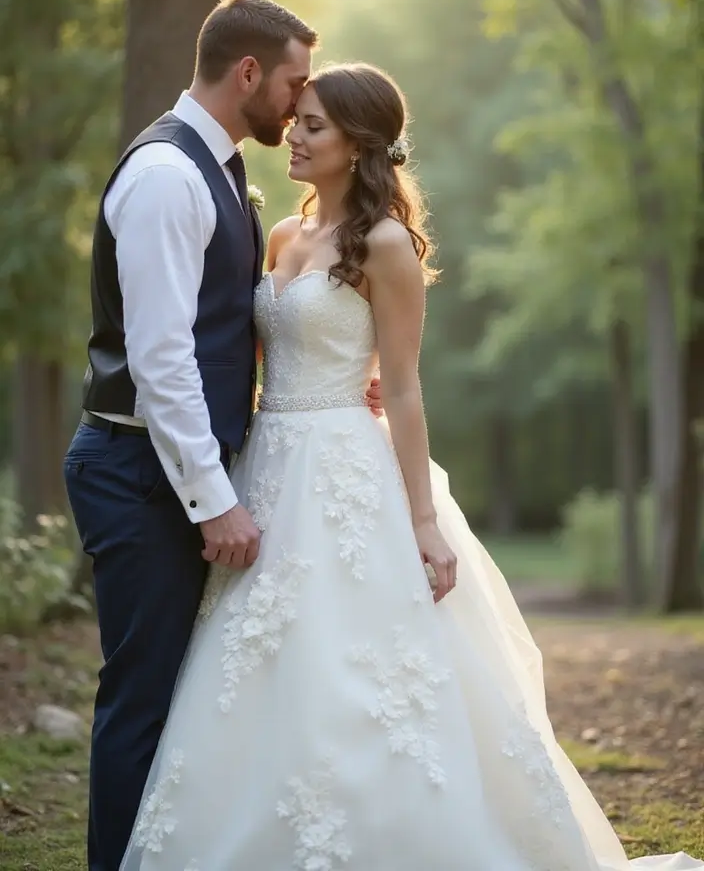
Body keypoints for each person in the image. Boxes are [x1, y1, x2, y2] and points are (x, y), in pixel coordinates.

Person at [118, 62, 702, 871]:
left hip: (347, 468)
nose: (294, 131)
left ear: (358, 145)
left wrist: (423, 520)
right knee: (259, 663)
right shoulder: (283, 234)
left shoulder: (386, 246)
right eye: (299, 117)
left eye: (314, 124)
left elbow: (403, 386)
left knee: (360, 664)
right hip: (270, 464)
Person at [64, 0, 381, 871]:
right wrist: (212, 503)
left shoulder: (225, 173)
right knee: (146, 695)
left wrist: (343, 361)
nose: (298, 102)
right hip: (138, 469)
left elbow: (224, 325)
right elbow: (162, 361)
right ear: (248, 73)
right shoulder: (169, 176)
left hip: (173, 463)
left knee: (187, 693)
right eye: (291, 82)